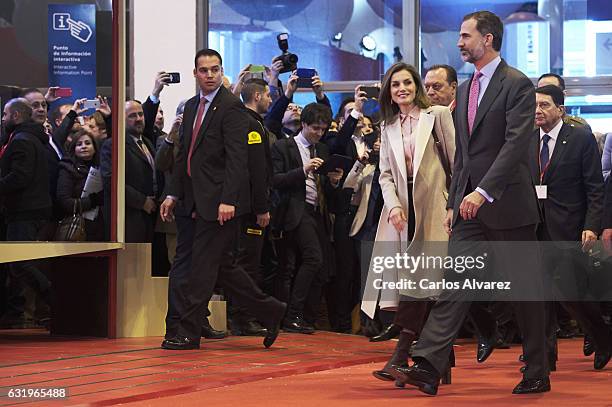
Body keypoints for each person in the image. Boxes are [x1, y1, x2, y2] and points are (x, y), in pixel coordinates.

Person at [392, 11, 549, 395]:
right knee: (453, 284)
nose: (459, 42)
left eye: (466, 36)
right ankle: (428, 365)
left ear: (488, 39)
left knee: (524, 293)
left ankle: (538, 370)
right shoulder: (464, 89)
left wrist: (484, 192)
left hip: (508, 205)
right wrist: (456, 199)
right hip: (467, 209)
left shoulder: (517, 85)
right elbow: (463, 153)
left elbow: (515, 146)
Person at [159, 49, 285, 350]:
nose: (210, 74)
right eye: (204, 70)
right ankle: (272, 310)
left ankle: (188, 333)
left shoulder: (232, 108)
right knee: (222, 268)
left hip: (219, 205)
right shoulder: (190, 107)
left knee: (202, 269)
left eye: (215, 69)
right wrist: (173, 193)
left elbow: (238, 160)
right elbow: (184, 156)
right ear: (195, 74)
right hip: (191, 201)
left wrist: (229, 199)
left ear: (221, 71)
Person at [357, 62, 455, 383]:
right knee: (421, 285)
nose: (402, 88)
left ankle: (401, 356)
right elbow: (385, 174)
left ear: (417, 87)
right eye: (395, 84)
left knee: (423, 283)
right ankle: (440, 359)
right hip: (403, 214)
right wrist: (394, 205)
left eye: (407, 83)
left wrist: (454, 204)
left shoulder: (438, 115)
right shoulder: (388, 126)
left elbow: (456, 162)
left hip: (436, 209)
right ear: (389, 91)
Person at [530, 85, 610, 371]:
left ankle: (603, 337)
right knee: (539, 297)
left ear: (560, 109)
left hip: (570, 228)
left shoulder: (579, 139)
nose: (538, 110)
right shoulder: (526, 140)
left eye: (544, 105)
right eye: (535, 105)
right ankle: (544, 358)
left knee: (572, 294)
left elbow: (594, 187)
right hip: (535, 230)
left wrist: (592, 226)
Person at [270, 102, 343, 333]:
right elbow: (275, 180)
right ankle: (291, 315)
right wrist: (304, 170)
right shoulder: (284, 146)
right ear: (303, 125)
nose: (319, 134)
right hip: (294, 210)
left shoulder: (322, 149)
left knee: (323, 267)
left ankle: (306, 316)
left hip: (316, 211)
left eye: (323, 130)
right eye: (315, 128)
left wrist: (333, 181)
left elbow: (327, 190)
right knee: (311, 259)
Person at [56, 129, 105, 241]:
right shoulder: (67, 168)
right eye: (79, 144)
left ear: (95, 147)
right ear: (74, 149)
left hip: (99, 226)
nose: (84, 146)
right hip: (77, 227)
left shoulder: (102, 168)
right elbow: (64, 202)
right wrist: (93, 200)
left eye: (88, 143)